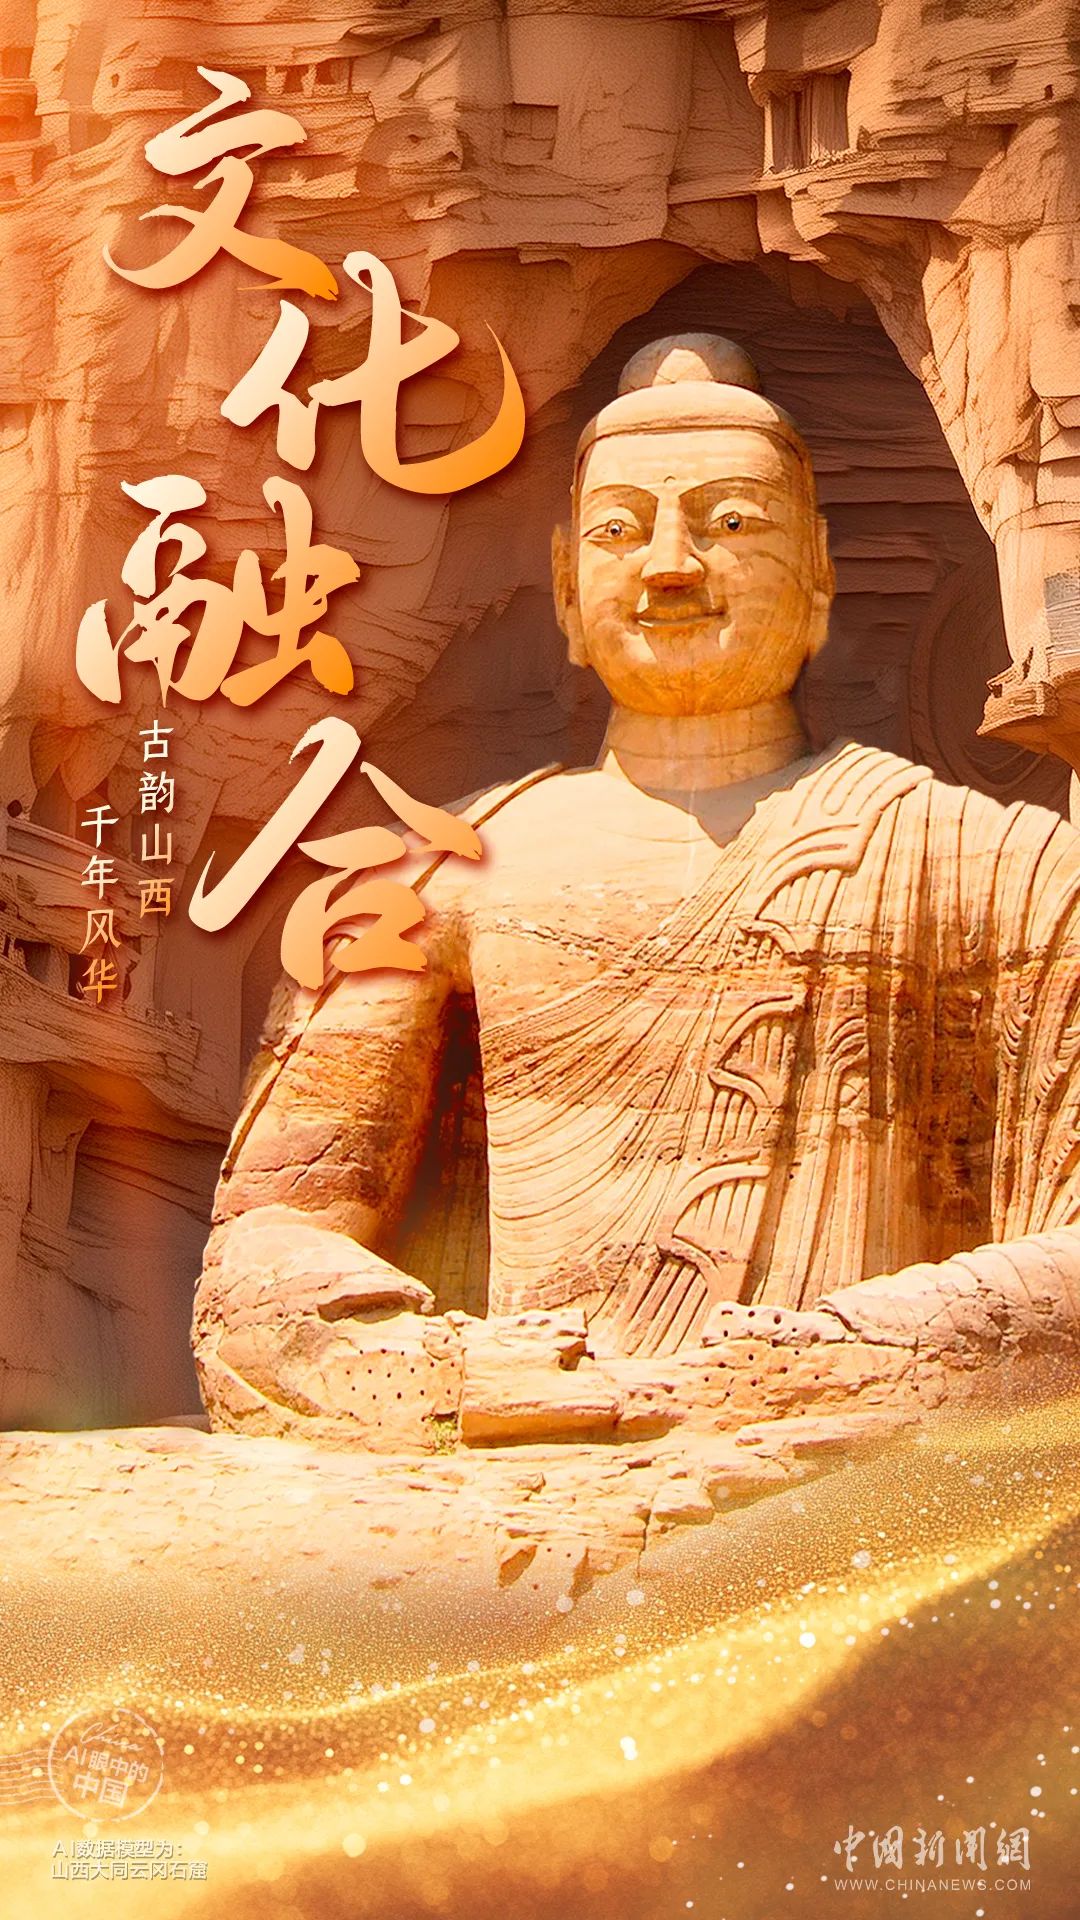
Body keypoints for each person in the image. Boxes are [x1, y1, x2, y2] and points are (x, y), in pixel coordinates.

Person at [193, 333, 1080, 1450]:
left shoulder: (996, 867)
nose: (670, 567)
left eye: (731, 524)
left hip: (839, 1470)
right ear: (568, 587)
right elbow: (262, 1255)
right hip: (518, 1453)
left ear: (818, 572)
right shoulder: (438, 875)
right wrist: (449, 1371)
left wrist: (826, 1362)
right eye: (620, 531)